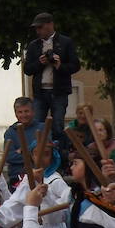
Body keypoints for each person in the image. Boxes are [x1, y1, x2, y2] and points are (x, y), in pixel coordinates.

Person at [22, 13, 80, 151]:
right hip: (40, 92)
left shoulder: (66, 42)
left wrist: (60, 66)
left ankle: (59, 156)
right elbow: (28, 69)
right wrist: (40, 63)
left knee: (58, 125)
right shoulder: (33, 45)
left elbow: (75, 65)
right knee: (37, 125)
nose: (38, 31)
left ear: (50, 25)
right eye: (36, 28)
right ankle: (37, 154)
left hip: (59, 91)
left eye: (40, 27)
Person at [1, 97, 45, 189]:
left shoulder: (42, 128)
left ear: (33, 112)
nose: (24, 115)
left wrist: (22, 151)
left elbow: (45, 152)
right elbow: (9, 157)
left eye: (26, 111)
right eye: (20, 112)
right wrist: (33, 151)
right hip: (17, 176)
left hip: (40, 176)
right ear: (16, 114)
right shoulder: (10, 132)